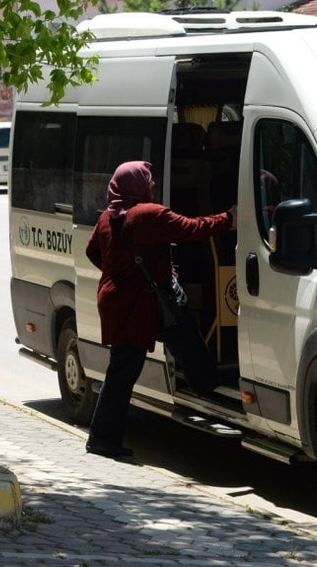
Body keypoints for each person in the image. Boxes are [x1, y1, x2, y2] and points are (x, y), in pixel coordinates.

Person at [84, 160, 236, 458]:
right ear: (136, 184)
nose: (152, 184)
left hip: (120, 300)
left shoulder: (108, 218)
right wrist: (229, 219)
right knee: (124, 370)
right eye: (148, 180)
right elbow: (192, 229)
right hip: (138, 304)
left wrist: (121, 274)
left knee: (182, 332)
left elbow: (92, 252)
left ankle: (204, 381)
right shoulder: (148, 215)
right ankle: (101, 438)